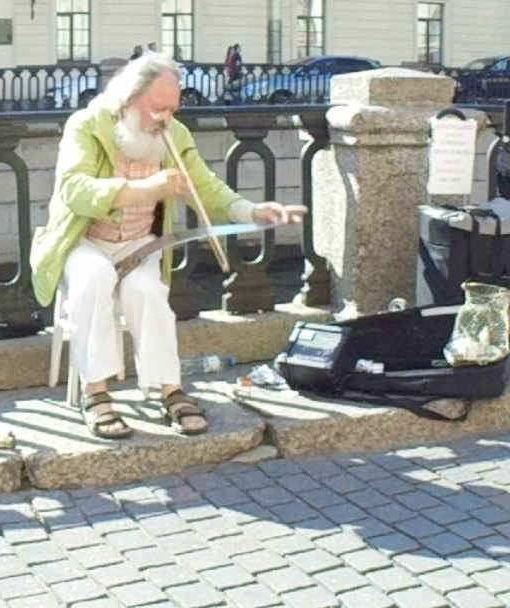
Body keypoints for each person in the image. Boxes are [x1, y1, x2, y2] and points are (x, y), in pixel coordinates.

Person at [30, 52, 305, 439]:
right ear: (130, 98)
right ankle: (95, 393)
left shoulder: (174, 133)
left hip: (139, 244)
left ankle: (169, 389)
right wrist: (145, 188)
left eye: (173, 109)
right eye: (158, 108)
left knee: (148, 292)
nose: (166, 118)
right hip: (83, 240)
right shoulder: (87, 125)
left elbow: (203, 186)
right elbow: (74, 190)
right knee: (93, 279)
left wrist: (252, 211)